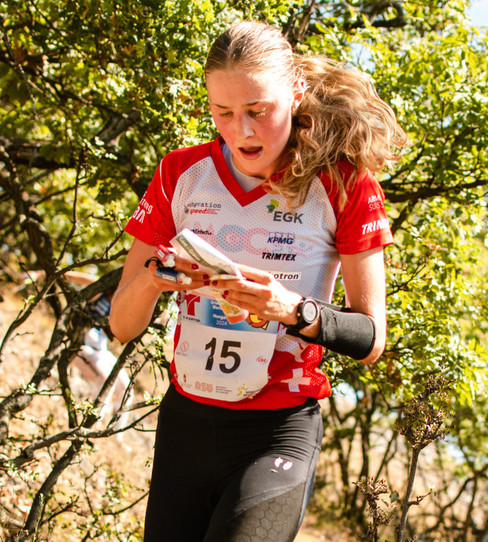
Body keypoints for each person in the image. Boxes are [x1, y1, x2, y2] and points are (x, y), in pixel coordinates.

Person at [109, 20, 406, 541]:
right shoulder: (182, 173)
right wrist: (157, 280)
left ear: (294, 94)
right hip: (187, 420)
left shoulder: (342, 184)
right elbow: (121, 325)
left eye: (257, 111)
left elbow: (372, 339)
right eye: (223, 112)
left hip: (278, 431)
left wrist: (293, 309)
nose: (241, 131)